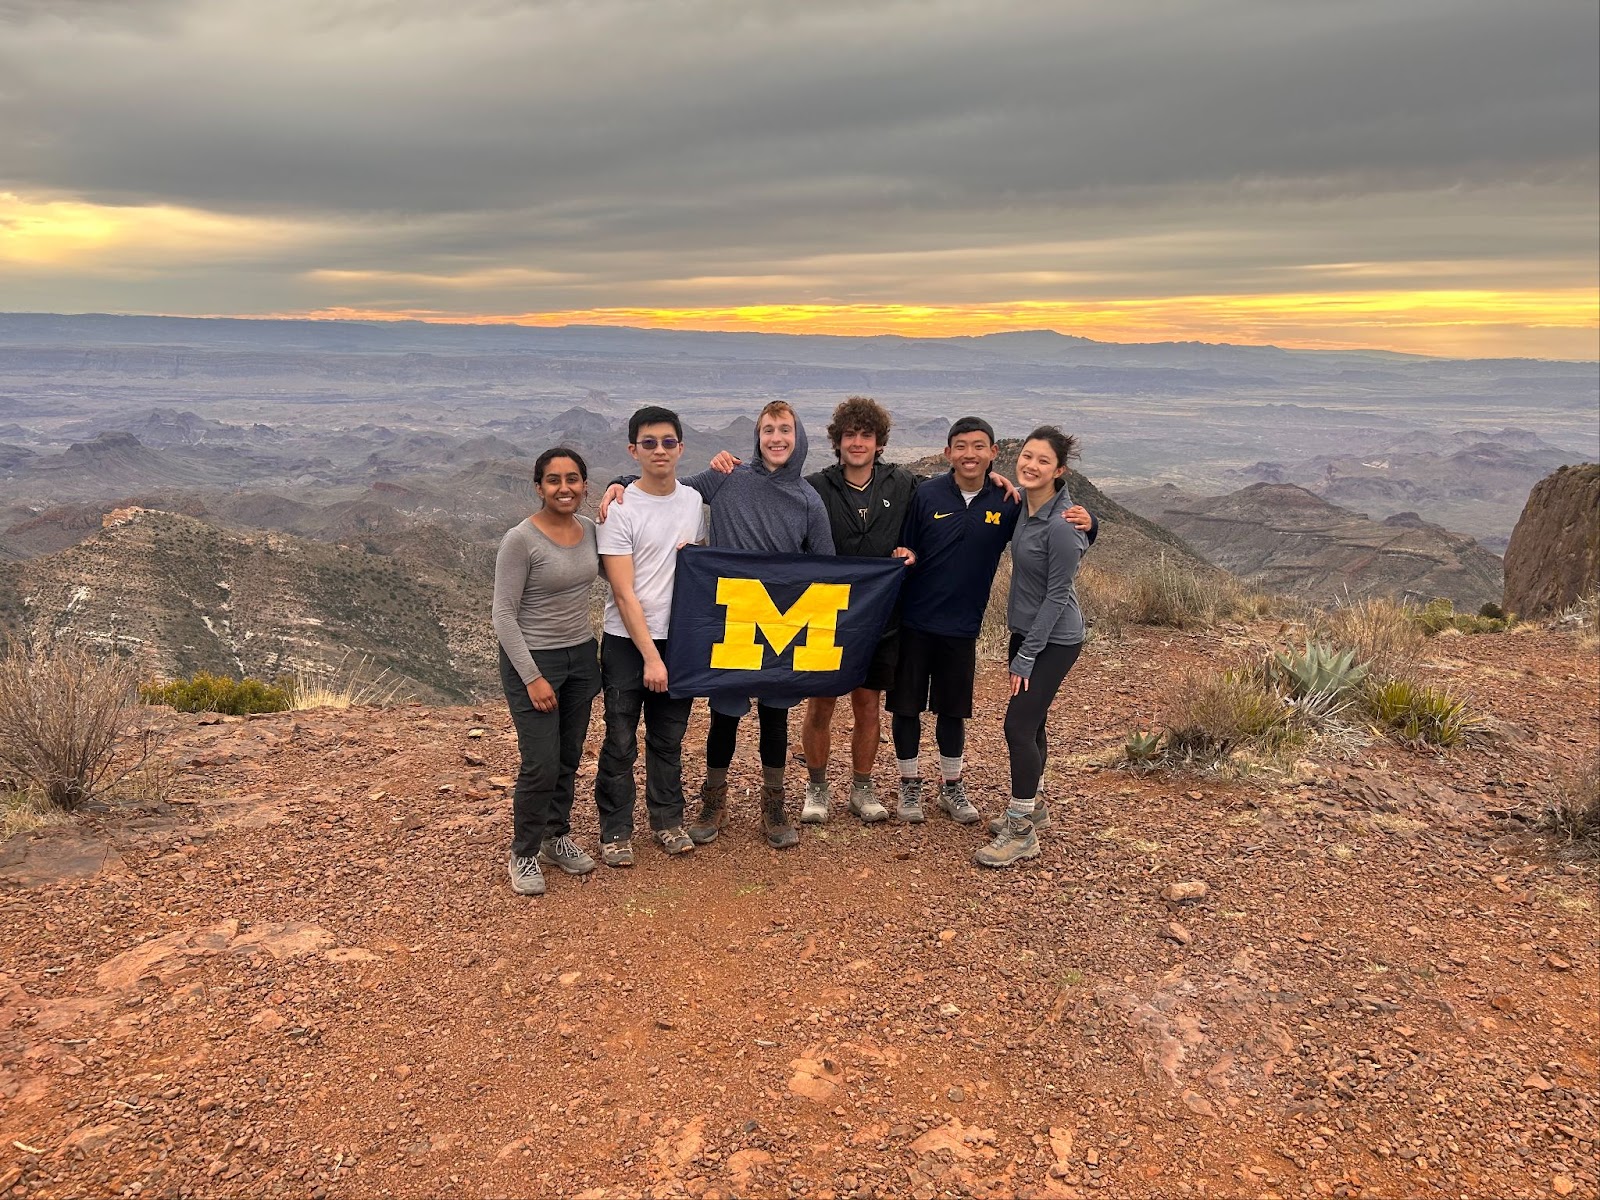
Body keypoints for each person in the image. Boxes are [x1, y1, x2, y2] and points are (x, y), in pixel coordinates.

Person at [601, 401, 833, 850]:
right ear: (757, 436)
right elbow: (668, 486)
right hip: (728, 620)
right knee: (724, 715)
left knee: (774, 716)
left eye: (785, 429)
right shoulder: (727, 478)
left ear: (798, 437)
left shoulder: (808, 499)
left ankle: (774, 801)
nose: (776, 438)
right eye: (768, 430)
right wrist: (620, 482)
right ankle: (713, 799)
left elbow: (825, 567)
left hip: (779, 623)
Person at [888, 417, 1093, 825]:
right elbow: (904, 544)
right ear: (948, 453)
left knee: (952, 710)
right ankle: (909, 786)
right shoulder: (926, 494)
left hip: (964, 625)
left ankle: (952, 787)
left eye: (979, 446)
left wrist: (1092, 523)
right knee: (906, 707)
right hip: (915, 619)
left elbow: (1056, 535)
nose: (969, 454)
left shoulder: (1007, 502)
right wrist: (900, 554)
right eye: (960, 446)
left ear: (993, 453)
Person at [593, 406, 708, 867]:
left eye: (667, 442)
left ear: (680, 447)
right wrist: (651, 658)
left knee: (668, 737)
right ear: (633, 450)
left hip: (678, 638)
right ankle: (616, 829)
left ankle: (667, 820)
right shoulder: (618, 507)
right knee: (620, 735)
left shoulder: (694, 502)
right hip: (626, 640)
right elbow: (623, 592)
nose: (659, 450)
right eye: (648, 443)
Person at [492, 447, 602, 897]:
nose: (564, 488)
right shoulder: (520, 540)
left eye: (572, 479)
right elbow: (503, 615)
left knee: (569, 756)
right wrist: (532, 676)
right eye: (553, 480)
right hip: (535, 660)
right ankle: (524, 850)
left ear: (584, 486)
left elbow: (628, 572)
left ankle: (556, 837)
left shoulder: (592, 530)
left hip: (581, 655)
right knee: (540, 762)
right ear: (539, 487)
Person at [977, 425, 1089, 867]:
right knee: (1033, 721)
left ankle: (1021, 829)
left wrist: (1026, 654)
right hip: (1026, 633)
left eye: (1043, 461)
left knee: (1018, 726)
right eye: (1027, 456)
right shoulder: (1026, 505)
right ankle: (1035, 806)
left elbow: (1058, 594)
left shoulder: (1062, 525)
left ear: (1058, 470)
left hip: (1055, 639)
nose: (1031, 465)